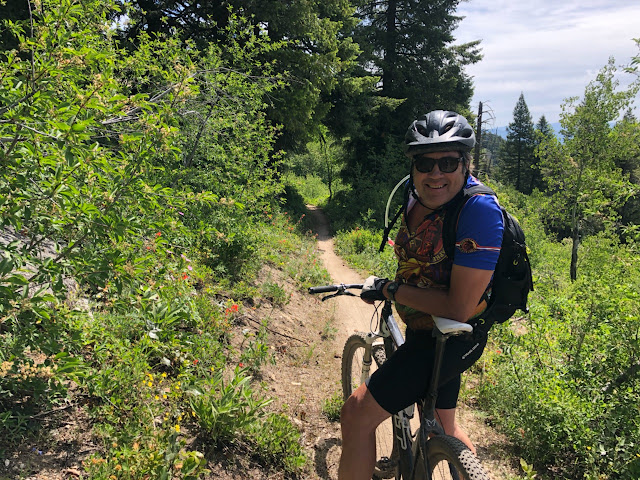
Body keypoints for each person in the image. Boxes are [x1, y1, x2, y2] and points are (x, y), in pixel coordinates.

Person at [338, 110, 504, 480]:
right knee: (443, 428)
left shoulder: (477, 211)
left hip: (449, 339)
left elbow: (458, 307)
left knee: (356, 415)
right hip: (427, 332)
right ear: (413, 167)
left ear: (465, 163)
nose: (436, 173)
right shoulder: (415, 197)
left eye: (448, 162)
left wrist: (391, 289)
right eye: (425, 163)